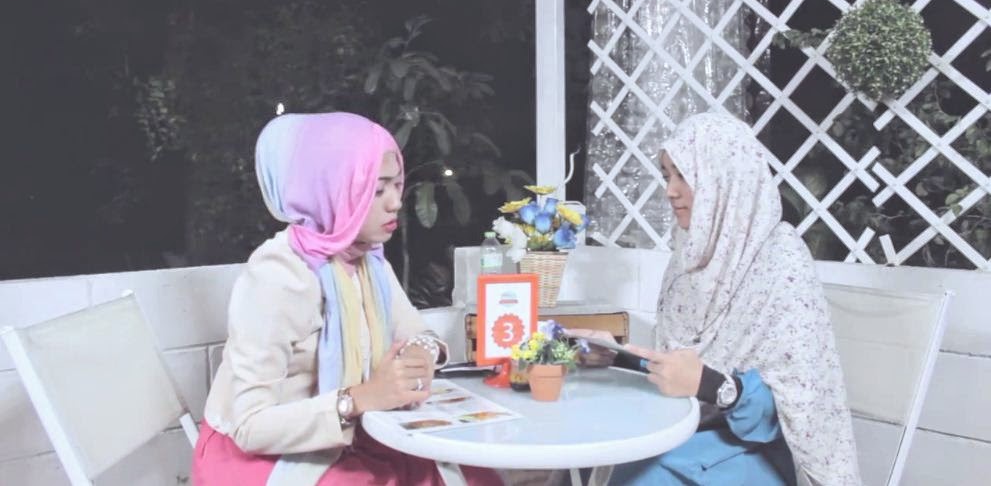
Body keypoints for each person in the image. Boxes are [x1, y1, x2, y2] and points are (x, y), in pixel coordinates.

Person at [191, 112, 500, 485]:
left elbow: (417, 333)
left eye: (397, 185)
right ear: (333, 192)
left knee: (473, 473)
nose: (395, 203)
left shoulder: (369, 260)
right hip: (257, 456)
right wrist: (359, 399)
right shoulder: (279, 276)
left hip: (347, 431)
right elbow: (250, 426)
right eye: (377, 190)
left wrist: (420, 354)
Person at [571, 112, 861, 485]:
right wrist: (618, 356)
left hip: (752, 453)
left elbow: (797, 405)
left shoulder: (780, 259)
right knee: (590, 450)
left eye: (684, 175)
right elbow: (684, 369)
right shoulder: (691, 256)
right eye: (667, 175)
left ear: (724, 177)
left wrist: (713, 386)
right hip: (682, 435)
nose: (670, 191)